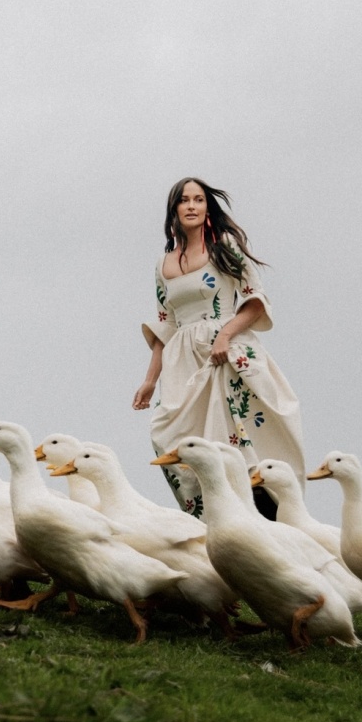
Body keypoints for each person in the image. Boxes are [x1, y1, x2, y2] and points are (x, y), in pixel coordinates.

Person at [132, 178, 305, 519]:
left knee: (240, 443)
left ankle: (271, 519)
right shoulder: (163, 263)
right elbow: (166, 323)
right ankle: (215, 523)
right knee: (174, 437)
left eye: (199, 199)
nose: (192, 206)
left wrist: (225, 336)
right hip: (184, 361)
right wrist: (151, 379)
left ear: (207, 207)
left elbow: (255, 301)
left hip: (227, 355)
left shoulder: (223, 247)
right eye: (185, 200)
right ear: (175, 210)